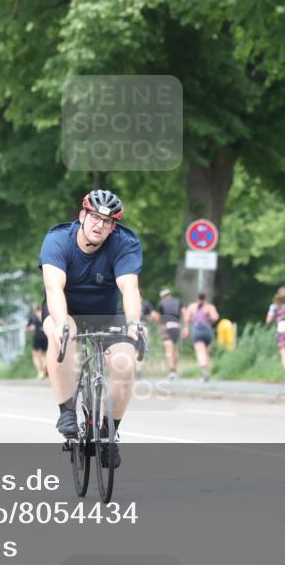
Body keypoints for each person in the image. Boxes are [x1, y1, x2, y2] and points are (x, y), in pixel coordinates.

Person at [40, 189, 144, 470]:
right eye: (95, 217)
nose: (99, 225)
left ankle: (109, 434)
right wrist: (61, 324)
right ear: (82, 215)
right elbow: (53, 287)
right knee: (64, 334)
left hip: (106, 313)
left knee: (124, 362)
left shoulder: (125, 243)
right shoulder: (58, 239)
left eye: (107, 222)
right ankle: (66, 411)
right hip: (66, 310)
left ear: (114, 227)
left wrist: (134, 324)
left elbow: (129, 288)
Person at [183, 292, 219, 382]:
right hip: (208, 331)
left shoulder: (192, 307)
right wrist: (209, 320)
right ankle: (207, 371)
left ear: (197, 298)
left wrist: (186, 328)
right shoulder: (209, 307)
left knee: (200, 352)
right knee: (207, 353)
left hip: (197, 331)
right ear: (205, 298)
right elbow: (215, 317)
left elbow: (186, 319)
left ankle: (204, 372)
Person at [153, 288, 183, 379]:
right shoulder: (178, 302)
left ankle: (171, 371)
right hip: (177, 327)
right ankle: (175, 370)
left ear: (163, 297)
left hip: (167, 328)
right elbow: (184, 313)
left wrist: (160, 325)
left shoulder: (161, 304)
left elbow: (157, 317)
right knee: (176, 350)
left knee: (168, 351)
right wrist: (185, 327)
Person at [25, 306, 49, 380]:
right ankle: (46, 372)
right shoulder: (45, 314)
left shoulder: (33, 316)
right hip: (46, 336)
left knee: (36, 355)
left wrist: (31, 328)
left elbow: (27, 328)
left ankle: (40, 372)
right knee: (45, 355)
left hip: (38, 337)